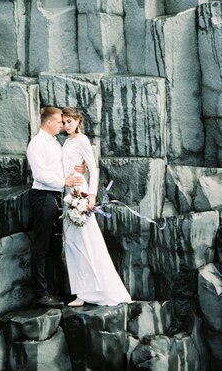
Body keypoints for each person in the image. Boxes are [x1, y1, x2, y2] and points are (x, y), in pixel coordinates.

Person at [61, 106, 132, 307]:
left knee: (87, 241)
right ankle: (81, 292)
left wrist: (91, 195)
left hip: (79, 194)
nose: (67, 125)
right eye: (64, 122)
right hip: (68, 194)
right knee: (74, 243)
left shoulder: (82, 140)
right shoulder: (66, 141)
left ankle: (97, 290)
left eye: (70, 121)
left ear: (78, 121)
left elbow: (93, 167)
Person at [27, 106, 84, 308]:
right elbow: (40, 175)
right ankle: (41, 294)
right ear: (49, 122)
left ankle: (52, 291)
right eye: (60, 121)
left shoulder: (55, 143)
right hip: (43, 196)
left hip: (56, 196)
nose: (63, 124)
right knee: (41, 246)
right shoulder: (36, 144)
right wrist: (64, 182)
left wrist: (80, 168)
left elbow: (63, 166)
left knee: (54, 246)